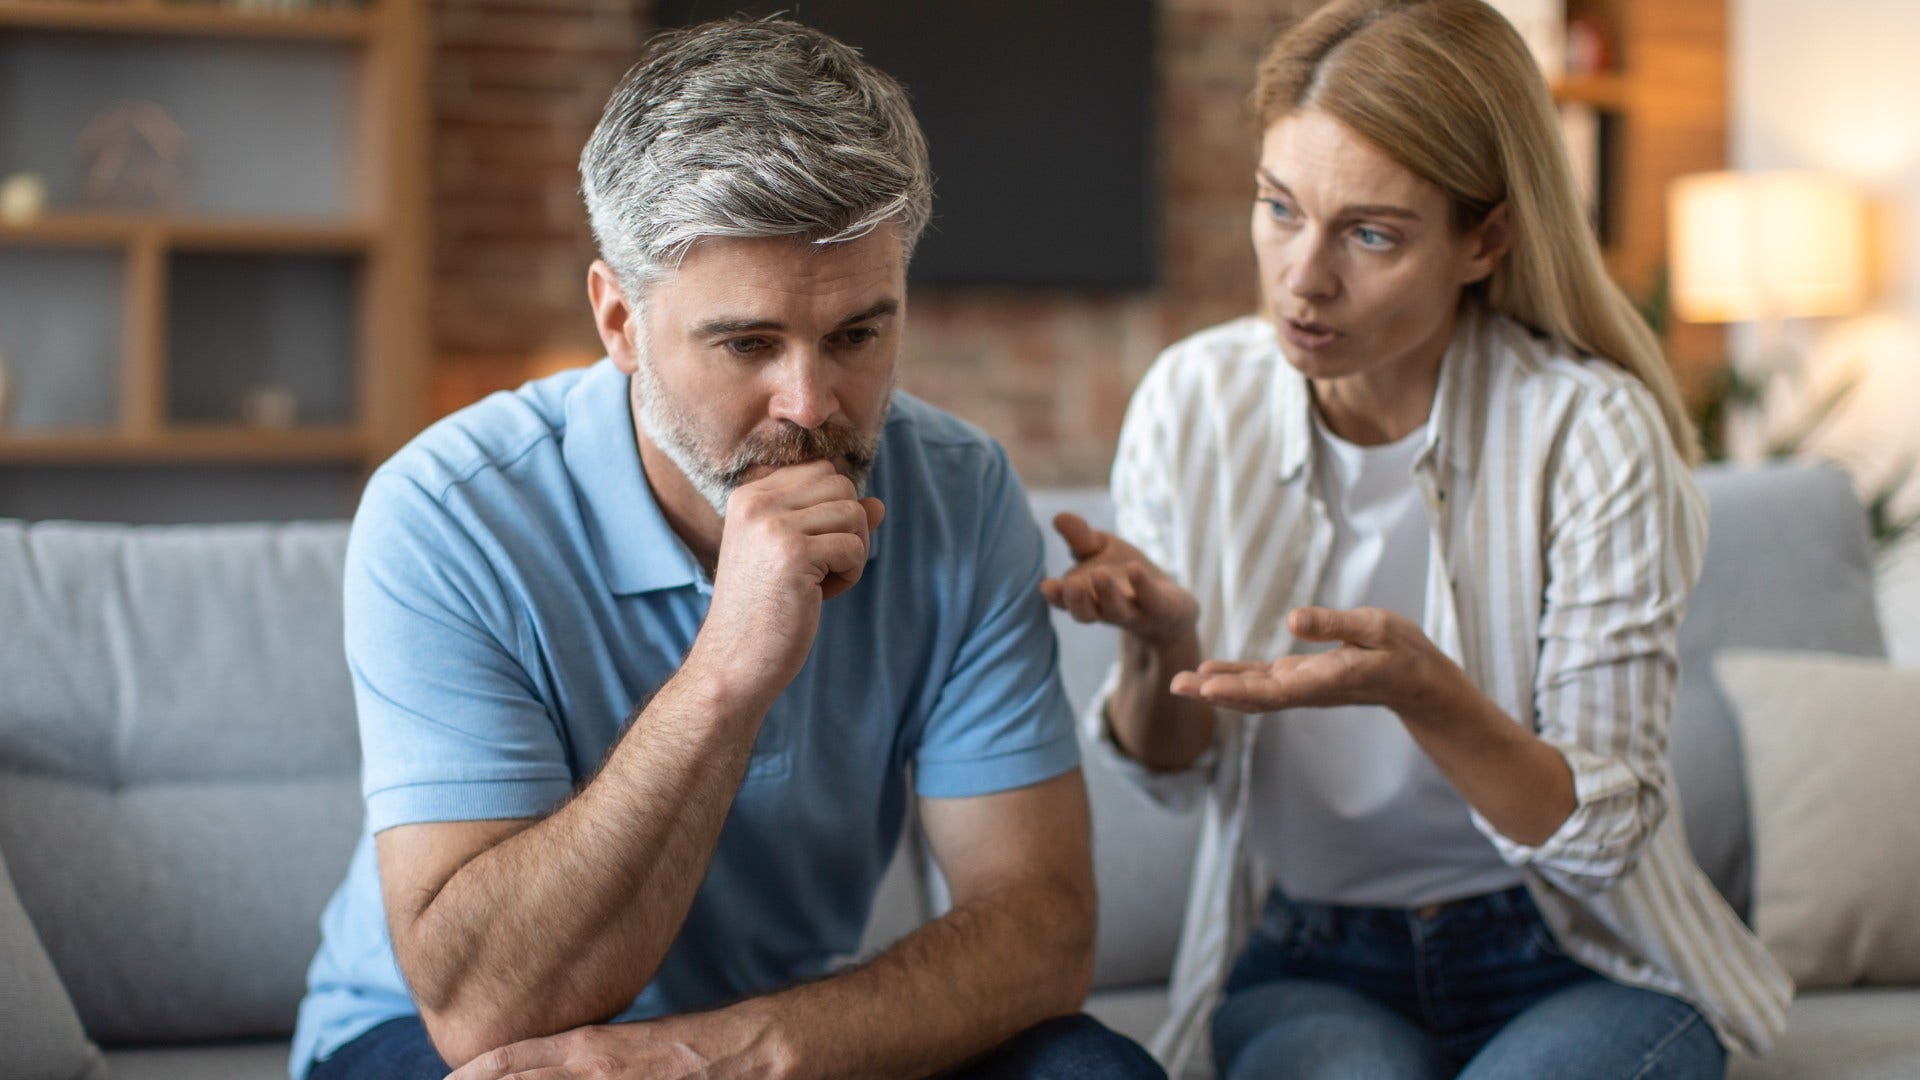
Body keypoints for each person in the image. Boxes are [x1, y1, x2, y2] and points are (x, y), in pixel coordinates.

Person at [290, 18, 1164, 1080]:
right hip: (432, 1042)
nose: (811, 405)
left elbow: (1040, 931)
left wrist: (736, 1056)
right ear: (619, 320)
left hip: (769, 1034)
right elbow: (484, 1010)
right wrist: (727, 674)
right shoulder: (448, 514)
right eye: (747, 343)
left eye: (858, 335)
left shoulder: (961, 491)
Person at [1042, 1, 1790, 1077]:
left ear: (1484, 239)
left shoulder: (1588, 430)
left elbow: (1604, 830)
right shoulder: (1194, 402)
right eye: (1280, 209)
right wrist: (1164, 647)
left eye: (1371, 233)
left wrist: (1427, 692)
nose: (1303, 277)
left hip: (1573, 953)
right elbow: (1174, 779)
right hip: (1314, 957)